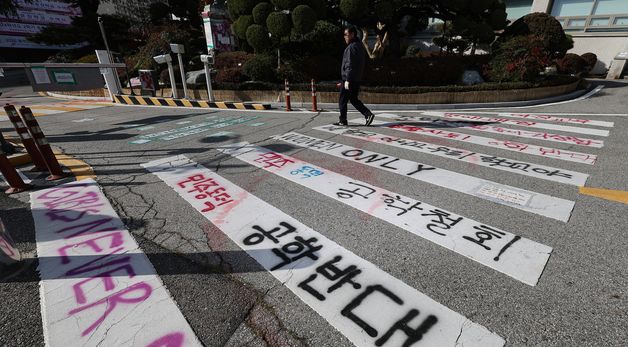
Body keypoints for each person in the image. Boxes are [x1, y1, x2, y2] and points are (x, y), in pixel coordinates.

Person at [334, 26, 375, 126]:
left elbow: (350, 64)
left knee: (342, 99)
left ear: (352, 34)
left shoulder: (351, 47)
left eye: (346, 35)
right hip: (356, 78)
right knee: (353, 99)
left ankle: (343, 120)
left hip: (350, 79)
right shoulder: (359, 45)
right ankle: (368, 114)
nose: (345, 37)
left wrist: (347, 79)